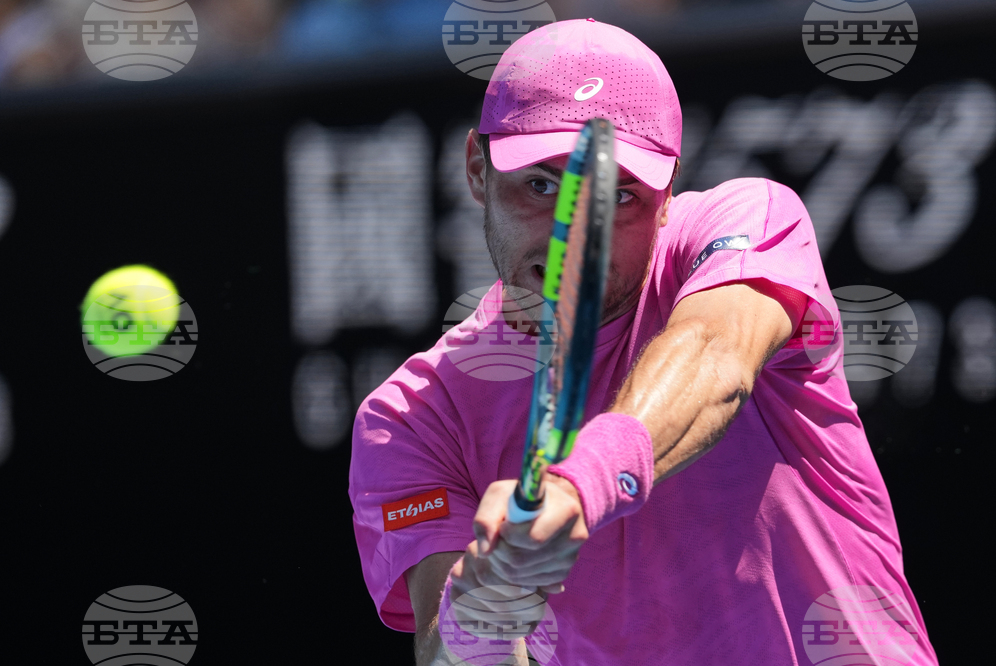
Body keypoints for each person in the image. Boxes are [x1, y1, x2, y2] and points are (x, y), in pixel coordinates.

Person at [349, 18, 938, 666]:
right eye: (539, 184)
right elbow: (443, 652)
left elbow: (717, 355)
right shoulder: (408, 418)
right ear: (477, 170)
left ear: (666, 196)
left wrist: (578, 489)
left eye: (618, 196)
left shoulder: (747, 219)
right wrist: (485, 613)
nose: (572, 233)